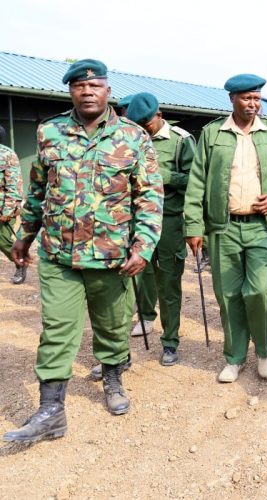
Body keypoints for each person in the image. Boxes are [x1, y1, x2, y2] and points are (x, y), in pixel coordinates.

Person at [2, 59, 163, 443]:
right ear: (70, 91)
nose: (87, 91)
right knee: (56, 328)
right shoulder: (50, 132)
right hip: (59, 256)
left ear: (108, 91)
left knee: (111, 326)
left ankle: (112, 376)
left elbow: (150, 197)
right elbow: (39, 191)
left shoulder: (133, 136)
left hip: (111, 257)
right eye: (78, 86)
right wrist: (24, 236)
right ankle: (51, 411)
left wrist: (143, 246)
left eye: (95, 86)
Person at [184, 73, 267, 383]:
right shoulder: (211, 135)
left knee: (260, 291)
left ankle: (263, 351)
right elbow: (196, 184)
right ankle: (234, 357)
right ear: (232, 99)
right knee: (229, 294)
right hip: (224, 228)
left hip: (261, 226)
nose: (253, 104)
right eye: (247, 98)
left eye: (257, 98)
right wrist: (193, 226)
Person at [125, 92, 197, 365]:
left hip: (169, 219)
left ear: (159, 116)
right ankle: (144, 317)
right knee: (137, 277)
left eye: (147, 124)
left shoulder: (180, 141)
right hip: (136, 219)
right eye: (138, 125)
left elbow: (196, 179)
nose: (144, 130)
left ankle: (170, 341)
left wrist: (163, 176)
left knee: (168, 283)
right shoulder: (128, 139)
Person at [0, 124, 26, 284]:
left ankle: (20, 262)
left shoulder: (7, 155)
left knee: (3, 240)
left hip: (2, 207)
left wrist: (7, 211)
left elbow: (14, 185)